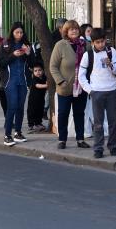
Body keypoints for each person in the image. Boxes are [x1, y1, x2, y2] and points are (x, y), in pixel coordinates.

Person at [78, 27, 116, 158]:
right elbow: (81, 75)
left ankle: (113, 146)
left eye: (102, 41)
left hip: (112, 90)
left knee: (113, 121)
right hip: (97, 92)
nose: (100, 44)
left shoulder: (111, 51)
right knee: (98, 122)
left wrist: (111, 65)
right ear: (92, 43)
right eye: (97, 42)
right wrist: (90, 90)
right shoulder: (88, 55)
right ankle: (98, 148)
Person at [50, 20, 89, 149]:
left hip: (80, 87)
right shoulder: (60, 45)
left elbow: (91, 64)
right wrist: (61, 81)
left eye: (76, 29)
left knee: (79, 113)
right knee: (63, 113)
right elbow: (53, 66)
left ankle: (80, 139)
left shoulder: (84, 45)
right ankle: (62, 139)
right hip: (65, 87)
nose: (74, 31)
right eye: (71, 29)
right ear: (66, 31)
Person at [0, 22, 35, 146]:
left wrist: (29, 53)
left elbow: (33, 64)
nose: (19, 34)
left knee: (20, 107)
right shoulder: (6, 44)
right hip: (10, 80)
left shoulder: (26, 45)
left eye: (21, 32)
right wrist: (13, 55)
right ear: (12, 32)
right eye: (17, 32)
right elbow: (1, 63)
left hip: (23, 81)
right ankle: (7, 135)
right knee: (12, 106)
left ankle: (17, 133)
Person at [27, 63, 48, 133]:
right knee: (32, 111)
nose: (38, 72)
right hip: (33, 99)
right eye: (35, 71)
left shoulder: (44, 78)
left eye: (39, 70)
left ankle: (38, 123)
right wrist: (46, 85)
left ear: (43, 71)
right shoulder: (34, 79)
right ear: (33, 72)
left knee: (40, 111)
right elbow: (37, 85)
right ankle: (31, 125)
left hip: (41, 99)